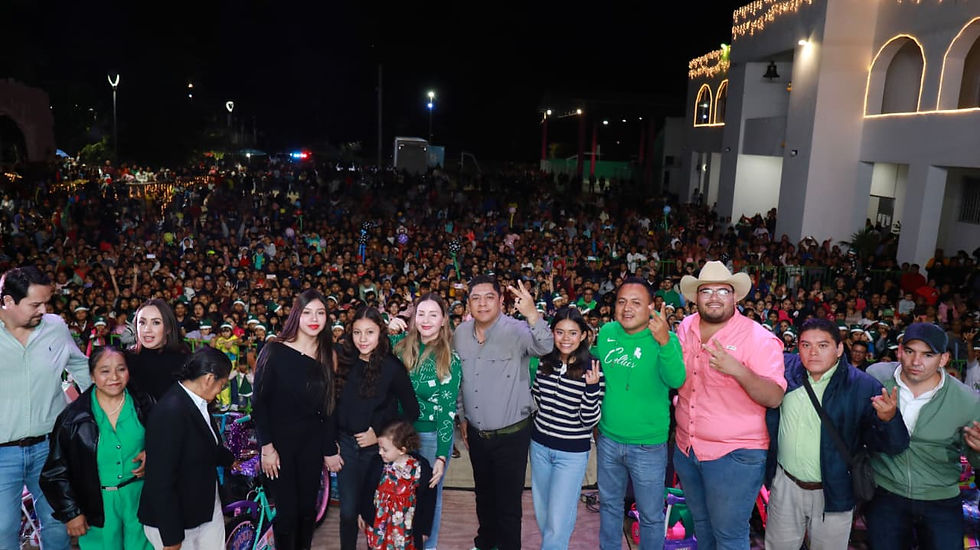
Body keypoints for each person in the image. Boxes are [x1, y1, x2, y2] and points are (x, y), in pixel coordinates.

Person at [763, 319, 910, 550]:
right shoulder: (786, 371)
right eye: (806, 345)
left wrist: (889, 419)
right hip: (786, 484)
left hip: (835, 490)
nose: (813, 353)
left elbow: (895, 446)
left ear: (839, 349)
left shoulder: (862, 386)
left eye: (822, 345)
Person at [673, 261, 787, 550]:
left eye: (723, 291)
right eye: (706, 291)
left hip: (734, 455)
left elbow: (774, 396)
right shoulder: (685, 327)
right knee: (702, 526)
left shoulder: (758, 338)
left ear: (735, 296)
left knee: (729, 536)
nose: (714, 297)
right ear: (696, 297)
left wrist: (738, 370)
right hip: (687, 448)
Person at [453, 275, 554, 550]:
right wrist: (462, 416)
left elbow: (545, 347)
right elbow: (459, 380)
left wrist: (533, 315)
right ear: (468, 303)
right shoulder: (460, 334)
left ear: (500, 301)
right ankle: (485, 543)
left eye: (489, 297)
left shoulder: (518, 330)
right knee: (483, 497)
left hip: (512, 435)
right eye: (475, 298)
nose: (482, 304)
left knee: (509, 505)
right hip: (476, 433)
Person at [865, 322, 980, 548]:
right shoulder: (876, 378)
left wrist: (978, 451)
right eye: (910, 351)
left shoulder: (966, 400)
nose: (916, 362)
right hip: (887, 493)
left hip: (940, 498)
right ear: (899, 351)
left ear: (943, 359)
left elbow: (975, 461)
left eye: (928, 355)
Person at [0, 266, 91, 550]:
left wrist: (101, 408)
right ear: (8, 301)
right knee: (3, 528)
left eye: (46, 303)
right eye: (35, 304)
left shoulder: (55, 327)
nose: (43, 310)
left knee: (57, 523)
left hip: (50, 448)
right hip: (3, 454)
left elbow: (82, 368)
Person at [594, 277, 685, 550]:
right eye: (621, 301)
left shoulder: (665, 339)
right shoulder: (606, 333)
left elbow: (677, 379)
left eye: (636, 302)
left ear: (650, 307)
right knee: (609, 506)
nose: (627, 308)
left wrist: (665, 342)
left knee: (650, 515)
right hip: (608, 440)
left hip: (648, 445)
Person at [252, 289, 342, 549]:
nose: (314, 319)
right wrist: (267, 448)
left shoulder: (328, 354)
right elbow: (259, 403)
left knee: (306, 512)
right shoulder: (274, 350)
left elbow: (329, 407)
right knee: (287, 515)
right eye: (307, 312)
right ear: (296, 315)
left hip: (311, 446)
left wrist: (329, 448)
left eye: (320, 313)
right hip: (279, 447)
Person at [40, 346, 155, 550]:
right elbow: (55, 472)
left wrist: (154, 454)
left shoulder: (145, 404)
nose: (114, 377)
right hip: (97, 507)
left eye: (121, 369)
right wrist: (71, 513)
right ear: (92, 376)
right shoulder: (73, 418)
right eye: (105, 371)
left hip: (140, 501)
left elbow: (168, 440)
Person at [335, 306, 420, 550]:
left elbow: (412, 410)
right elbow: (331, 404)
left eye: (370, 332)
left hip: (376, 453)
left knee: (374, 514)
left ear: (380, 334)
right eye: (357, 332)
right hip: (346, 447)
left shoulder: (392, 367)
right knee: (348, 512)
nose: (363, 339)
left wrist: (380, 434)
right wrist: (332, 442)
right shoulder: (342, 361)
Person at [137, 347, 234, 550]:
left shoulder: (197, 402)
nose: (220, 391)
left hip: (201, 509)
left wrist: (232, 461)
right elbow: (160, 480)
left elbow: (207, 445)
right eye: (222, 384)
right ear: (209, 379)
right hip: (176, 520)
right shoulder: (170, 411)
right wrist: (171, 537)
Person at [391, 293, 461, 550]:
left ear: (443, 320)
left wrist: (442, 456)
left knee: (429, 498)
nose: (426, 320)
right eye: (421, 314)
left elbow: (447, 412)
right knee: (398, 495)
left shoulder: (449, 359)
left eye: (433, 314)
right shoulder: (398, 346)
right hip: (398, 436)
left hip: (431, 438)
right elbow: (364, 345)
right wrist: (386, 327)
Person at [530, 306, 604, 550]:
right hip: (539, 448)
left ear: (583, 335)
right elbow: (536, 400)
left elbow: (589, 420)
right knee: (543, 514)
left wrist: (592, 389)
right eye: (560, 332)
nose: (565, 339)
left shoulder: (592, 368)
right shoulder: (545, 362)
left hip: (571, 454)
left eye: (573, 333)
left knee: (558, 519)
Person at [357, 420, 433, 550]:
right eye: (379, 448)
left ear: (402, 450)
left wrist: (425, 529)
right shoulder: (377, 463)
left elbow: (429, 500)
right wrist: (362, 513)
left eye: (385, 449)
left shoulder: (420, 469)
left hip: (405, 529)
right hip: (379, 525)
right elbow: (366, 490)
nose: (380, 452)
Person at [127, 299, 190, 400]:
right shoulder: (127, 359)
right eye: (142, 322)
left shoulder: (184, 361)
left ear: (168, 328)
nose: (147, 329)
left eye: (156, 323)